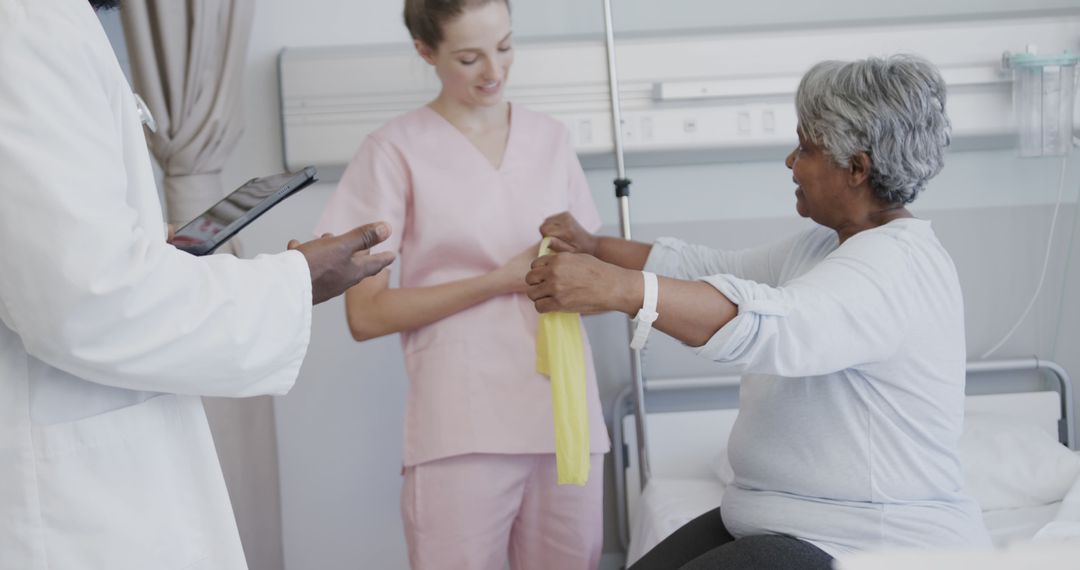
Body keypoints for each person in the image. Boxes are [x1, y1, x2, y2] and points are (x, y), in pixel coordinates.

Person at [527, 55, 992, 569]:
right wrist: (595, 247)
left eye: (807, 148)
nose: (791, 162)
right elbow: (709, 268)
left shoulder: (895, 269)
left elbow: (770, 324)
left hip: (865, 543)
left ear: (857, 168)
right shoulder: (824, 247)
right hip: (778, 521)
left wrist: (623, 290)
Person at [0, 1, 394, 568]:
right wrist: (294, 281)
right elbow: (86, 301)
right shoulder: (28, 27)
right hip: (67, 499)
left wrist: (142, 246)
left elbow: (59, 257)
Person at [313, 0, 609, 568]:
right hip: (462, 423)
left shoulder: (550, 139)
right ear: (425, 52)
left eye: (504, 47)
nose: (493, 71)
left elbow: (590, 288)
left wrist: (584, 279)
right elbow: (365, 316)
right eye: (469, 57)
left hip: (565, 418)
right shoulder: (394, 152)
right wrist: (499, 280)